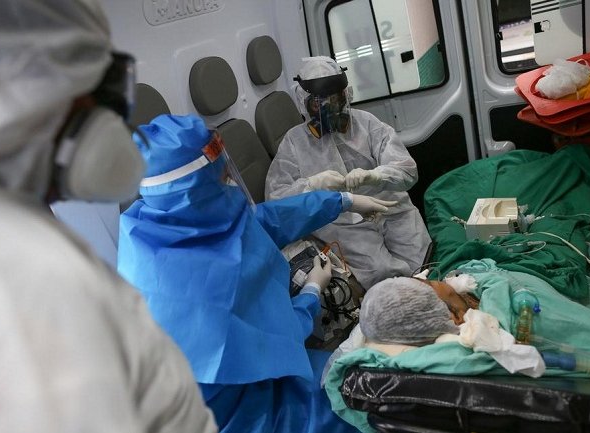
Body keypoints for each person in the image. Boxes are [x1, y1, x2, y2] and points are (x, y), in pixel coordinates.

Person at [0, 2, 216, 432]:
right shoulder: (23, 282)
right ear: (27, 94)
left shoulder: (7, 229)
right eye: (98, 86)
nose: (111, 115)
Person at [117, 113, 395, 433]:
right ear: (195, 189)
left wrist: (342, 201)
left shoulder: (163, 220)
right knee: (367, 405)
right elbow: (276, 338)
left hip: (257, 374)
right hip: (241, 412)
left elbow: (261, 221)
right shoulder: (181, 290)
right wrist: (311, 292)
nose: (231, 183)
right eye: (223, 178)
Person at [265, 56, 431, 290]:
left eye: (335, 99)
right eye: (319, 103)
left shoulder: (367, 124)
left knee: (423, 262)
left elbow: (407, 171)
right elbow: (276, 199)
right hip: (343, 221)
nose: (329, 108)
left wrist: (376, 176)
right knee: (380, 271)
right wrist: (312, 185)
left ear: (346, 95)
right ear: (304, 103)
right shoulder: (294, 142)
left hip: (390, 207)